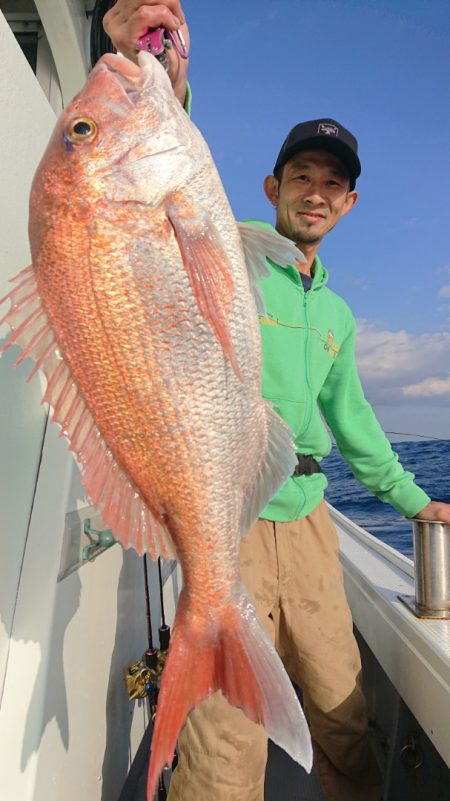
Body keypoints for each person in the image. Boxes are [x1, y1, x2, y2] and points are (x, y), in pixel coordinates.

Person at [104, 4, 450, 800]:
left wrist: (413, 500)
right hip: (226, 513)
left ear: (350, 204)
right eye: (302, 177)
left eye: (334, 183)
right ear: (273, 188)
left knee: (342, 706)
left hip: (311, 519)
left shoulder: (337, 314)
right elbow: (163, 188)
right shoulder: (230, 253)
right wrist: (161, 78)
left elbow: (356, 422)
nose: (317, 193)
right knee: (224, 744)